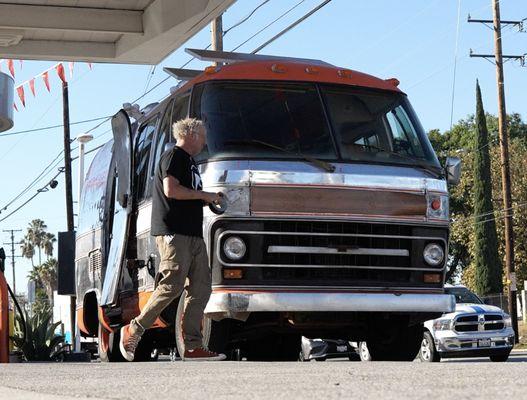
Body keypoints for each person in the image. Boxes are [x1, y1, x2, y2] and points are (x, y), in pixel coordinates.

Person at [119, 117, 226, 361]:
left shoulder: (189, 162)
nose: (205, 139)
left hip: (193, 234)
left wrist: (207, 198)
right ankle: (133, 329)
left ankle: (191, 346)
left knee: (201, 288)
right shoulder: (174, 156)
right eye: (203, 134)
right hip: (173, 233)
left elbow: (187, 193)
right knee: (171, 286)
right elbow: (171, 190)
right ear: (191, 134)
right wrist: (205, 195)